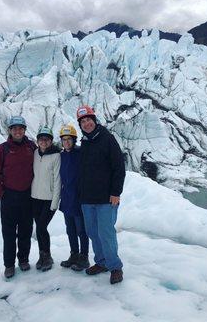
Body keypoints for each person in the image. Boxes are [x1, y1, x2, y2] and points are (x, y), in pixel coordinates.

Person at [76, 105, 126, 284]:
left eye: (89, 119)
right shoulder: (85, 142)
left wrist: (115, 192)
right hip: (87, 199)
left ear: (94, 120)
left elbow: (119, 167)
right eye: (83, 121)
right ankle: (101, 262)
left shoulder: (107, 139)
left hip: (106, 198)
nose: (86, 123)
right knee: (93, 232)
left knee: (106, 232)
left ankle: (115, 266)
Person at [0, 116, 36, 279]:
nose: (18, 131)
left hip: (27, 196)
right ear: (10, 130)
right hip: (9, 196)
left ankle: (23, 259)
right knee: (8, 233)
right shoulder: (2, 150)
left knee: (26, 230)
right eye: (14, 128)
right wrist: (1, 194)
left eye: (20, 128)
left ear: (24, 130)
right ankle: (9, 265)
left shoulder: (31, 146)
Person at [59, 125, 90, 272]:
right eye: (64, 140)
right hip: (66, 199)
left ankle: (84, 257)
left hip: (79, 198)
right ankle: (74, 254)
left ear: (74, 140)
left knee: (81, 230)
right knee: (70, 229)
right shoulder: (62, 155)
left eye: (69, 139)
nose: (66, 142)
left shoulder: (81, 153)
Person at [31, 126, 61, 272]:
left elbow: (57, 180)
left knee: (42, 227)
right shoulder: (35, 153)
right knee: (40, 228)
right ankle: (42, 255)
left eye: (47, 139)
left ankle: (47, 256)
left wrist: (55, 202)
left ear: (51, 141)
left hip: (49, 199)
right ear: (37, 141)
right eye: (41, 139)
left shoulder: (56, 156)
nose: (44, 141)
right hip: (35, 198)